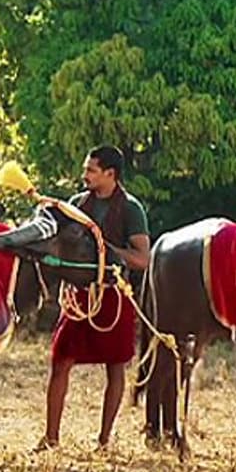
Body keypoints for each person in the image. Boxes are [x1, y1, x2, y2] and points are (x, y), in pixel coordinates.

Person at [36, 145, 150, 452]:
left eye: (91, 170)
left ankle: (103, 441)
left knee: (115, 366)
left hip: (112, 296)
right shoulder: (75, 205)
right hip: (76, 298)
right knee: (61, 362)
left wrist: (109, 251)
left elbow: (142, 260)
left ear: (110, 174)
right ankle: (50, 439)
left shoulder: (130, 209)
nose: (84, 175)